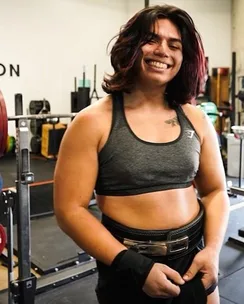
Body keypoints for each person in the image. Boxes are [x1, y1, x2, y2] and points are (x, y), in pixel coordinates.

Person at [53, 4, 230, 304]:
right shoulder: (92, 122)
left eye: (175, 45)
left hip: (194, 262)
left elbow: (215, 191)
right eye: (152, 39)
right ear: (131, 46)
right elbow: (70, 210)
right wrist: (135, 267)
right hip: (129, 267)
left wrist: (212, 251)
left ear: (183, 58)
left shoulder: (196, 118)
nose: (164, 51)